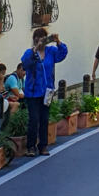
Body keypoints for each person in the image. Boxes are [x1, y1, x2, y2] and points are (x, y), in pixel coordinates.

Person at [21, 29, 69, 157]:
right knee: (34, 119)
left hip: (47, 92)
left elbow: (62, 54)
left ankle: (43, 146)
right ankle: (30, 146)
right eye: (38, 37)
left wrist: (58, 41)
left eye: (43, 37)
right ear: (34, 39)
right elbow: (25, 64)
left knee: (44, 119)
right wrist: (35, 49)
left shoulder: (51, 52)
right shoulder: (30, 52)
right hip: (33, 92)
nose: (41, 40)